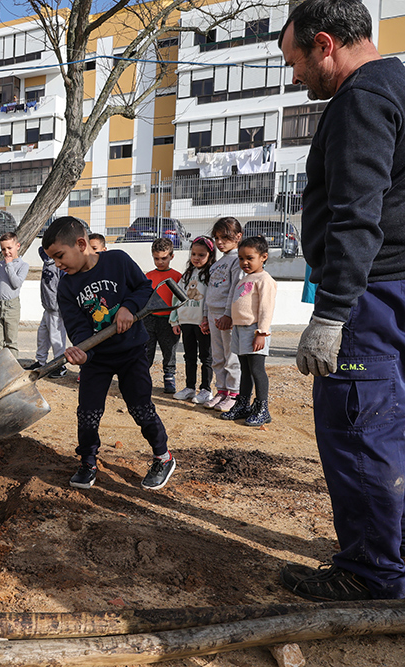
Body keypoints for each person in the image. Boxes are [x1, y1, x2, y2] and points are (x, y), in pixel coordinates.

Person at [278, 0, 405, 601]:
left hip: (370, 296)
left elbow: (358, 213)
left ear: (325, 44)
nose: (294, 75)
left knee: (360, 428)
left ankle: (373, 574)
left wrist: (330, 313)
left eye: (295, 59)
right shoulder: (400, 83)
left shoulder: (361, 99)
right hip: (395, 286)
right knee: (393, 426)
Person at [42, 217, 176, 492]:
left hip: (132, 352)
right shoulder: (66, 287)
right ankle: (88, 462)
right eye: (53, 259)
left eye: (59, 256)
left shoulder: (118, 261)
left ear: (81, 244)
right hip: (97, 359)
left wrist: (127, 306)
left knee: (140, 408)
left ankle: (163, 457)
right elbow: (78, 327)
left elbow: (142, 287)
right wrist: (83, 354)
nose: (57, 264)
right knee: (88, 413)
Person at [219, 236, 276, 426]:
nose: (245, 262)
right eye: (241, 258)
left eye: (250, 258)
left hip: (255, 330)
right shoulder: (245, 279)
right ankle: (243, 405)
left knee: (257, 370)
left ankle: (262, 409)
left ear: (264, 257)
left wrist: (262, 332)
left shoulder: (264, 280)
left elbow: (266, 308)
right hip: (239, 329)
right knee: (245, 369)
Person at [202, 217, 243, 412]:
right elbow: (209, 291)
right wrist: (204, 316)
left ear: (238, 236)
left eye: (225, 237)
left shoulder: (237, 261)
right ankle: (222, 391)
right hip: (212, 314)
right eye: (217, 237)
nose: (219, 242)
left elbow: (234, 290)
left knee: (230, 356)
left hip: (226, 317)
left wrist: (228, 315)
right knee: (217, 356)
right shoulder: (217, 263)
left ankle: (234, 393)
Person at [169, 237, 216, 404]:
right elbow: (177, 298)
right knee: (189, 356)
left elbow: (213, 299)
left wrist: (210, 320)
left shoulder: (212, 275)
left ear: (210, 255)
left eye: (201, 254)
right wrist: (175, 320)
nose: (196, 257)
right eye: (194, 254)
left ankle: (206, 390)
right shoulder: (186, 275)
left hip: (203, 324)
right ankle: (190, 387)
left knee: (206, 357)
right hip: (186, 321)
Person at [144, 238, 182, 394]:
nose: (160, 262)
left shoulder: (178, 277)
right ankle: (143, 377)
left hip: (169, 320)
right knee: (146, 350)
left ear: (171, 256)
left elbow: (181, 302)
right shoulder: (148, 276)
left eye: (164, 258)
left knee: (169, 350)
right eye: (156, 258)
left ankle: (169, 377)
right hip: (149, 318)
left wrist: (177, 322)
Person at [0, 232, 28, 357]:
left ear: (17, 246)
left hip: (11, 306)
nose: (6, 252)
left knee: (11, 340)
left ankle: (12, 367)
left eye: (9, 248)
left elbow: (16, 283)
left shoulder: (23, 265)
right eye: (3, 249)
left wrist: (9, 265)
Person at [26, 246, 68, 378]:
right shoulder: (47, 260)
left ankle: (60, 365)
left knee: (57, 339)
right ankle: (40, 361)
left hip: (56, 309)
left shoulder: (60, 264)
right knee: (42, 336)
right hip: (47, 308)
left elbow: (66, 283)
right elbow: (40, 249)